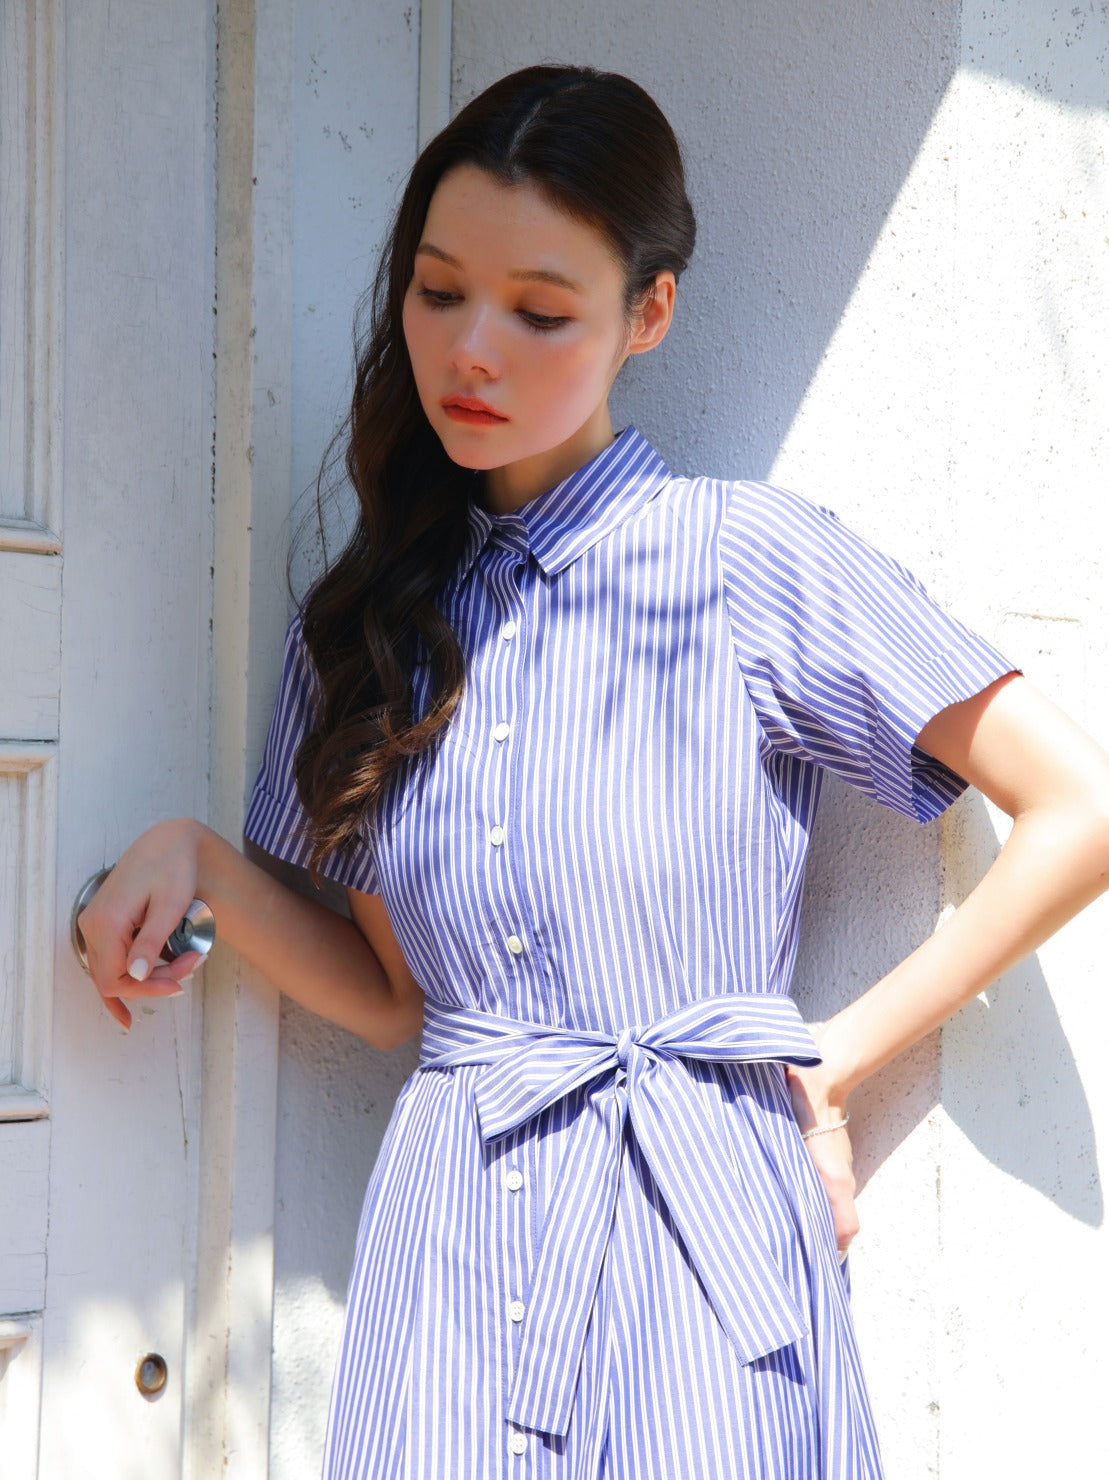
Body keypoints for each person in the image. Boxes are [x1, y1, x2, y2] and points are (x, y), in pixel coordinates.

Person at [79, 65, 1109, 1480]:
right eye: (437, 293)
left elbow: (1078, 809)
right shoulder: (368, 624)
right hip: (451, 1239)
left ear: (649, 313)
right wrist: (198, 862)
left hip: (701, 1233)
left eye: (541, 311)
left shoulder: (747, 562)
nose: (471, 352)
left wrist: (825, 1071)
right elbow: (394, 998)